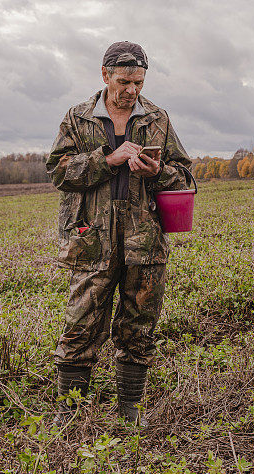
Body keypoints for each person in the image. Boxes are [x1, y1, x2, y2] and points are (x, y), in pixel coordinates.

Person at [46, 41, 192, 425]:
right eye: (125, 81)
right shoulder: (77, 119)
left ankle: (130, 410)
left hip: (145, 243)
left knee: (139, 327)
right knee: (81, 325)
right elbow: (59, 174)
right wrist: (106, 160)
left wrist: (156, 172)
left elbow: (186, 177)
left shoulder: (158, 118)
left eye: (139, 83)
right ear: (105, 75)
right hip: (91, 241)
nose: (132, 90)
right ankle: (71, 413)